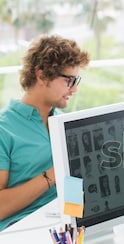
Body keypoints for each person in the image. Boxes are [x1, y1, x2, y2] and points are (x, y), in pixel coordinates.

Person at [0, 34, 90, 231]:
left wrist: (79, 220)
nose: (74, 89)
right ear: (41, 76)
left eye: (77, 80)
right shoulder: (3, 130)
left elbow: (73, 189)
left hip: (65, 227)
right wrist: (53, 174)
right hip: (21, 231)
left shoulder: (66, 123)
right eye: (69, 80)